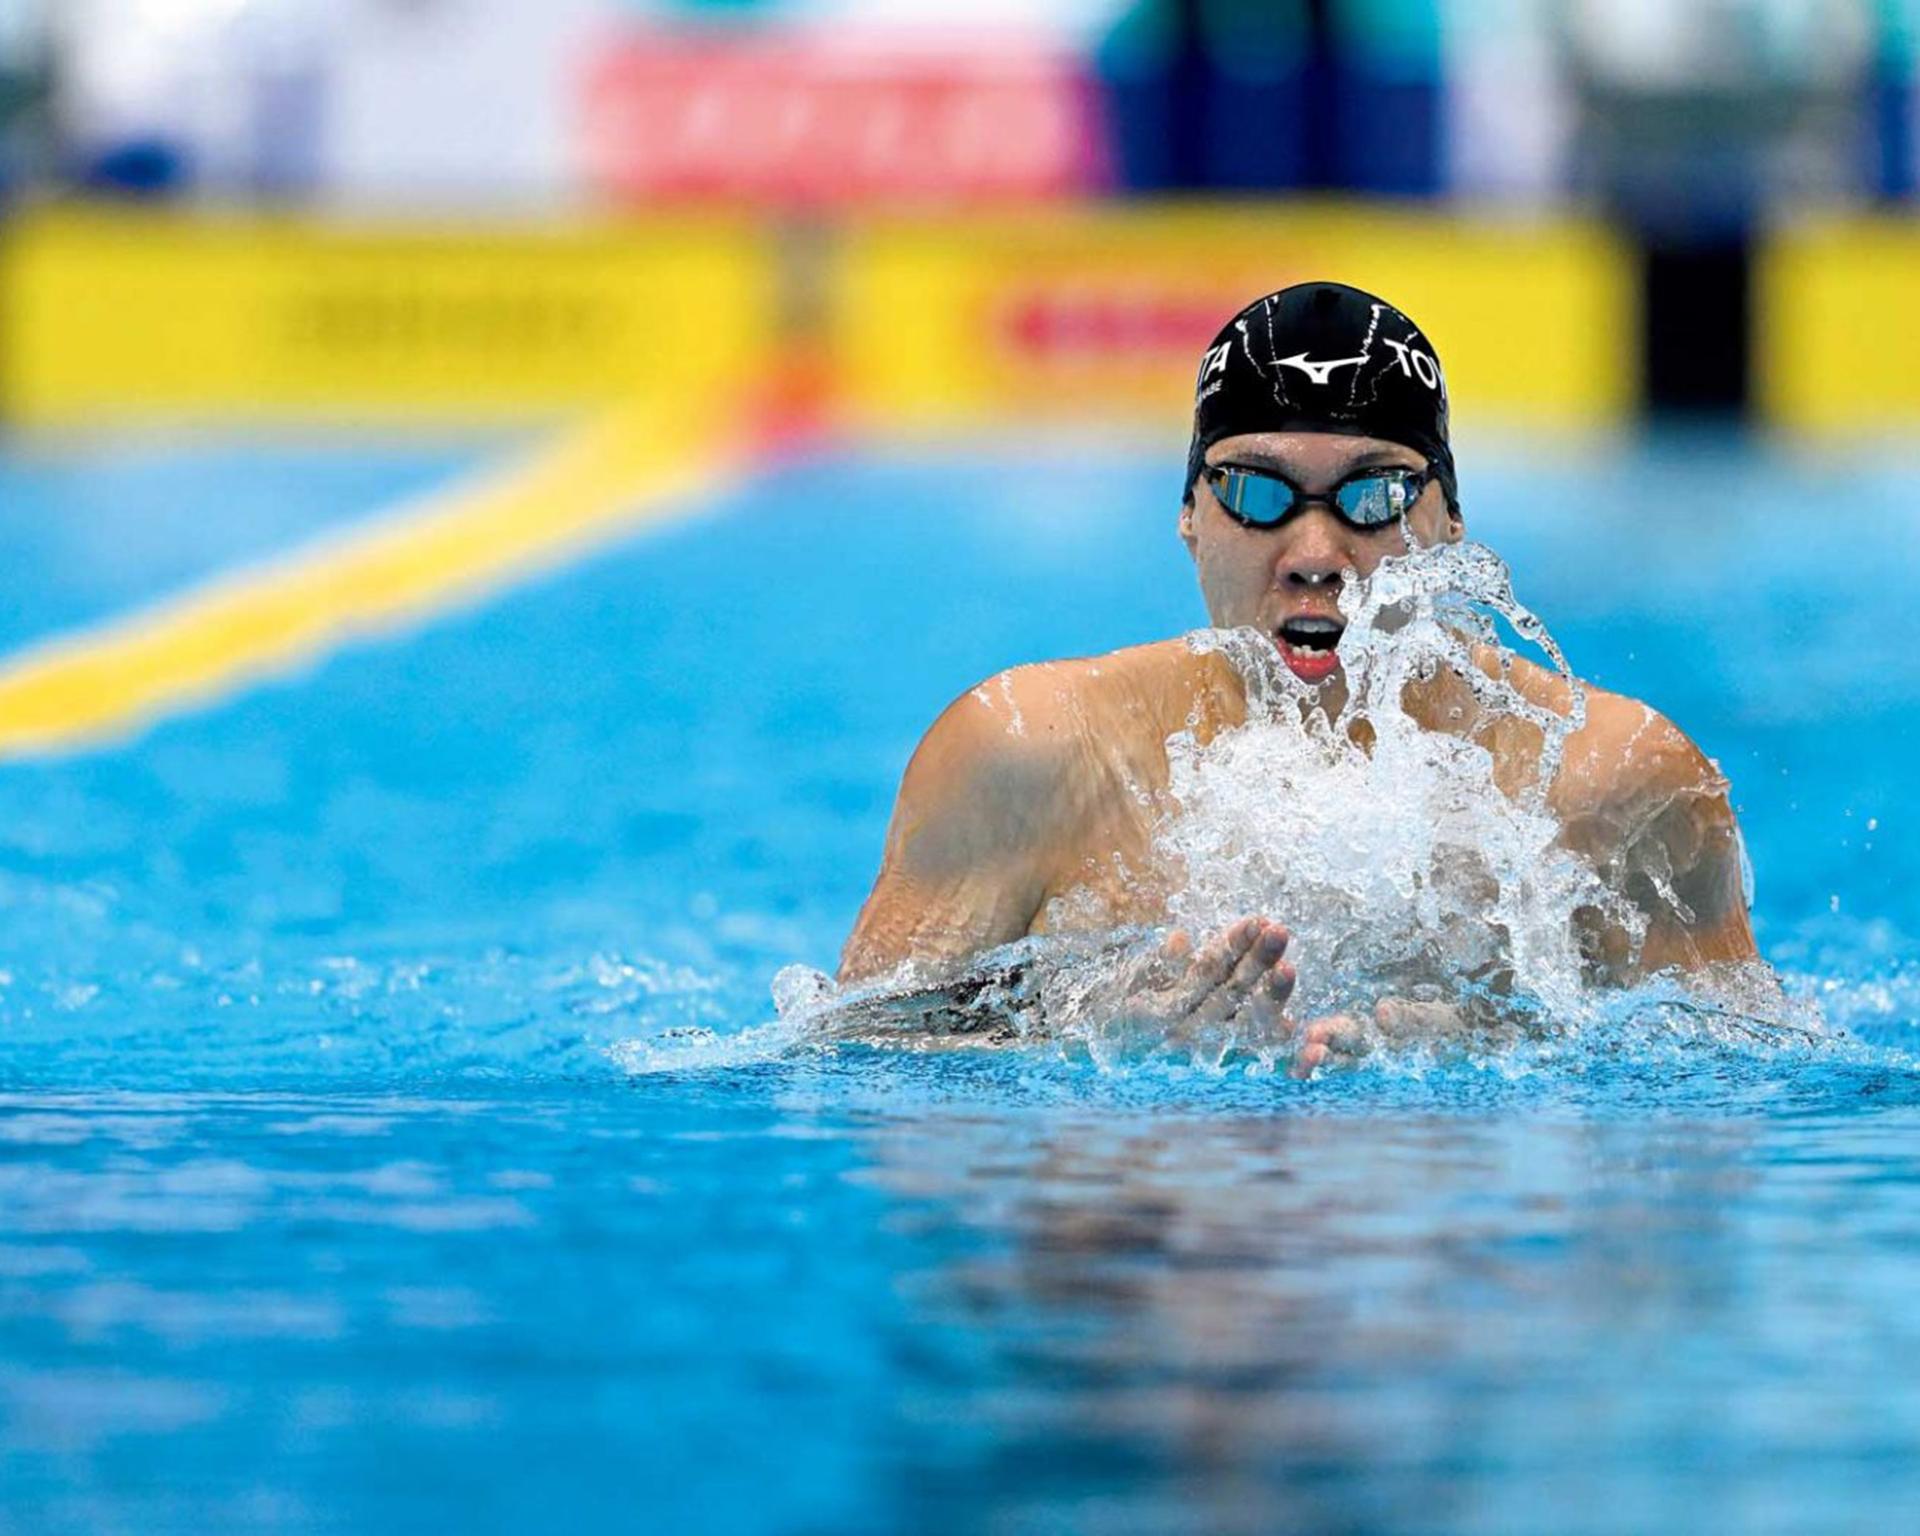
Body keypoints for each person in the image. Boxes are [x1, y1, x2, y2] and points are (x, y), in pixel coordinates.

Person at [837, 282, 1757, 1075]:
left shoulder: (1617, 780)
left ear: (1449, 522)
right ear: (1190, 514)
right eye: (1255, 492)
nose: (1316, 556)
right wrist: (1077, 1039)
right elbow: (849, 1063)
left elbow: (1740, 1098)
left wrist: (1514, 1044)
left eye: (1375, 495)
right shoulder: (1027, 755)